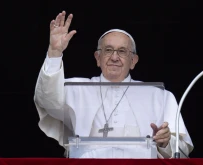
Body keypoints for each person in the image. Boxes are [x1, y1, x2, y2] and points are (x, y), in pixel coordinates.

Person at [34, 11, 193, 158]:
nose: (114, 57)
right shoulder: (76, 89)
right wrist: (54, 53)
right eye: (108, 50)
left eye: (122, 51)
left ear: (133, 61)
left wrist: (165, 143)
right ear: (98, 58)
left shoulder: (159, 96)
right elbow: (47, 99)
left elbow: (182, 150)